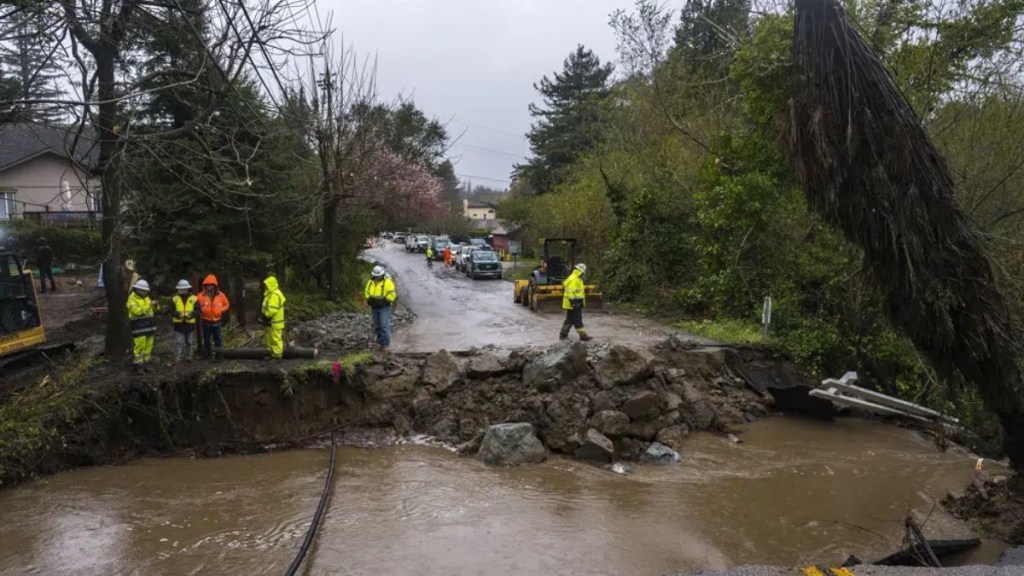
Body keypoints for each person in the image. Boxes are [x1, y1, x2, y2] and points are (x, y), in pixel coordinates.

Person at [196, 275, 230, 359]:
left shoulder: (221, 295)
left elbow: (227, 304)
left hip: (216, 320)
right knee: (206, 339)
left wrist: (220, 310)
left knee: (217, 339)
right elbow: (196, 305)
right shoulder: (200, 296)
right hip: (205, 320)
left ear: (215, 285)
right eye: (207, 285)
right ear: (204, 285)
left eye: (211, 284)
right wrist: (201, 309)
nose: (209, 286)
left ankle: (219, 355)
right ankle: (207, 355)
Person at [364, 265, 397, 349]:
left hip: (384, 307)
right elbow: (366, 292)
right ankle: (379, 342)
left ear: (382, 274)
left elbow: (392, 294)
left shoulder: (388, 282)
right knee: (377, 326)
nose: (378, 277)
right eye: (376, 276)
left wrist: (386, 301)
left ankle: (385, 344)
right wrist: (369, 299)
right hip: (374, 306)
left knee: (384, 326)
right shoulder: (370, 282)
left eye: (379, 276)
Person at [127, 279, 156, 369]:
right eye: (143, 290)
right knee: (140, 345)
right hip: (138, 326)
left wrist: (155, 306)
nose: (145, 292)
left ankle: (146, 362)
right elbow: (137, 312)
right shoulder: (132, 299)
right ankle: (138, 365)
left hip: (149, 325)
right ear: (138, 289)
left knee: (149, 345)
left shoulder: (146, 298)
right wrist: (150, 305)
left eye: (145, 291)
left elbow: (151, 311)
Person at [560, 263, 593, 342]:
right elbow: (571, 292)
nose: (584, 275)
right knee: (576, 319)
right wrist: (573, 303)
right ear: (580, 272)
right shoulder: (574, 279)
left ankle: (564, 335)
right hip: (573, 304)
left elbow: (578, 293)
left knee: (571, 319)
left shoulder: (577, 279)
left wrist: (579, 302)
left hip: (575, 303)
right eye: (583, 273)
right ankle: (582, 335)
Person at [170, 279, 198, 364]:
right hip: (178, 323)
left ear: (188, 289)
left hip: (190, 323)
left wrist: (192, 315)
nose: (183, 290)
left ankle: (189, 357)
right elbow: (171, 309)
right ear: (178, 289)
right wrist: (177, 314)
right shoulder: (174, 299)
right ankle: (177, 358)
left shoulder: (194, 298)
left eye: (184, 289)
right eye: (181, 289)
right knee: (178, 341)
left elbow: (198, 310)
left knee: (189, 342)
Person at [261, 275, 286, 359]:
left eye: (267, 285)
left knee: (275, 339)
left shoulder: (274, 295)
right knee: (270, 338)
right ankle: (271, 353)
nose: (265, 287)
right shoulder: (270, 294)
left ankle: (277, 356)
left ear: (270, 285)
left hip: (274, 322)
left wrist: (266, 316)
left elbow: (272, 310)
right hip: (271, 322)